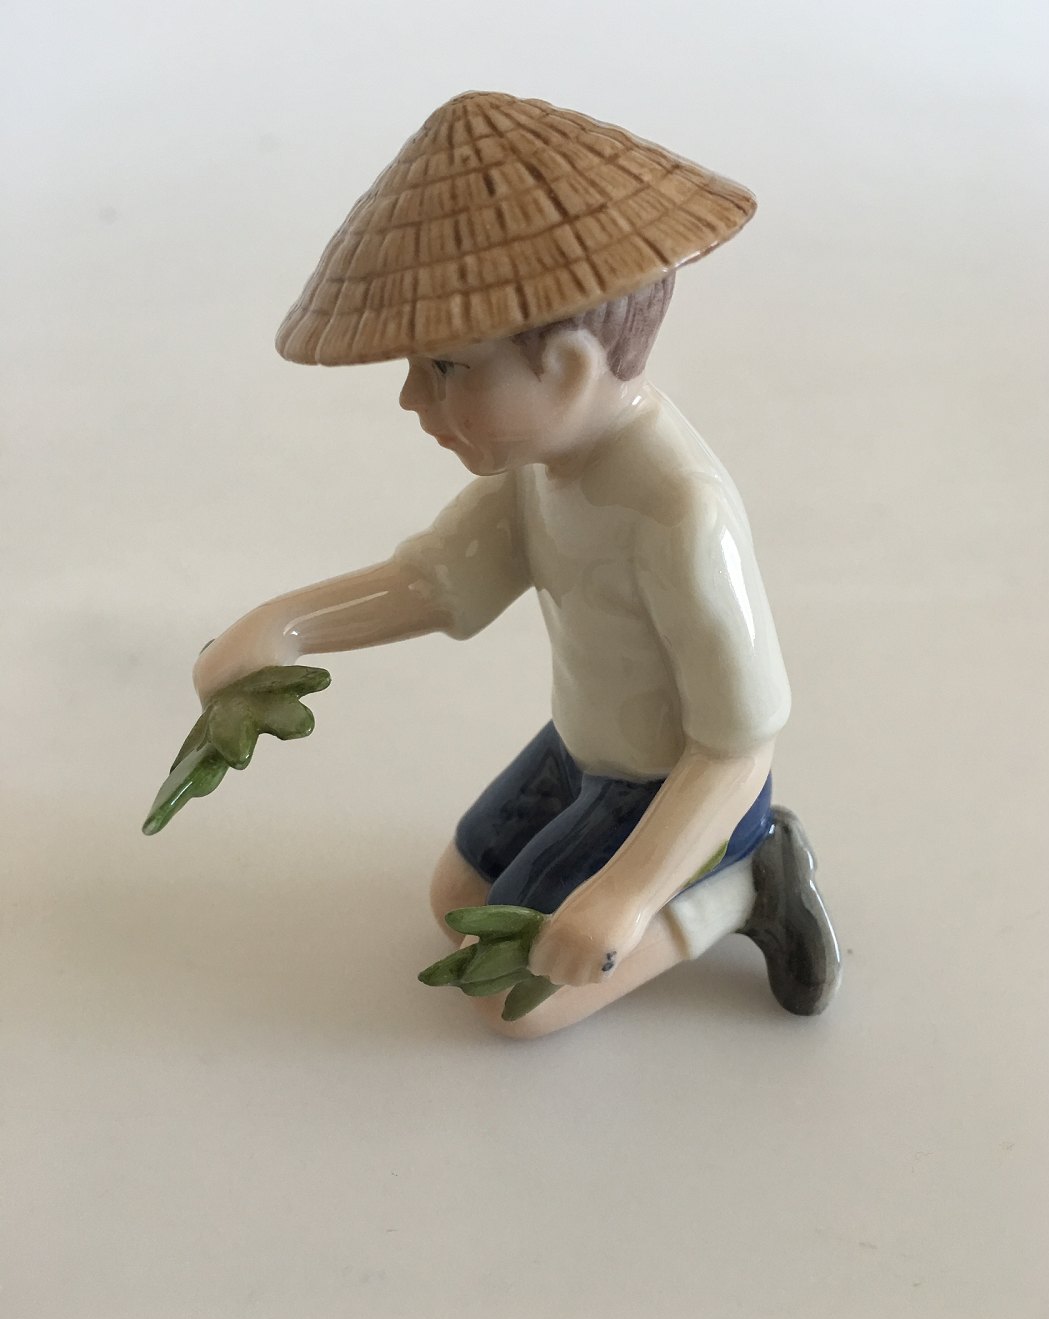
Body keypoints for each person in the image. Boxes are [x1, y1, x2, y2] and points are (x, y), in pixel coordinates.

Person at [186, 91, 841, 1038]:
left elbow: (738, 746)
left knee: (511, 998)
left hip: (677, 792)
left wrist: (627, 896)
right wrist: (282, 626)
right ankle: (660, 881)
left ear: (567, 369)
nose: (412, 399)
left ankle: (740, 886)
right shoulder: (541, 468)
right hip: (579, 750)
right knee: (457, 902)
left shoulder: (683, 514)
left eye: (446, 367)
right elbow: (435, 583)